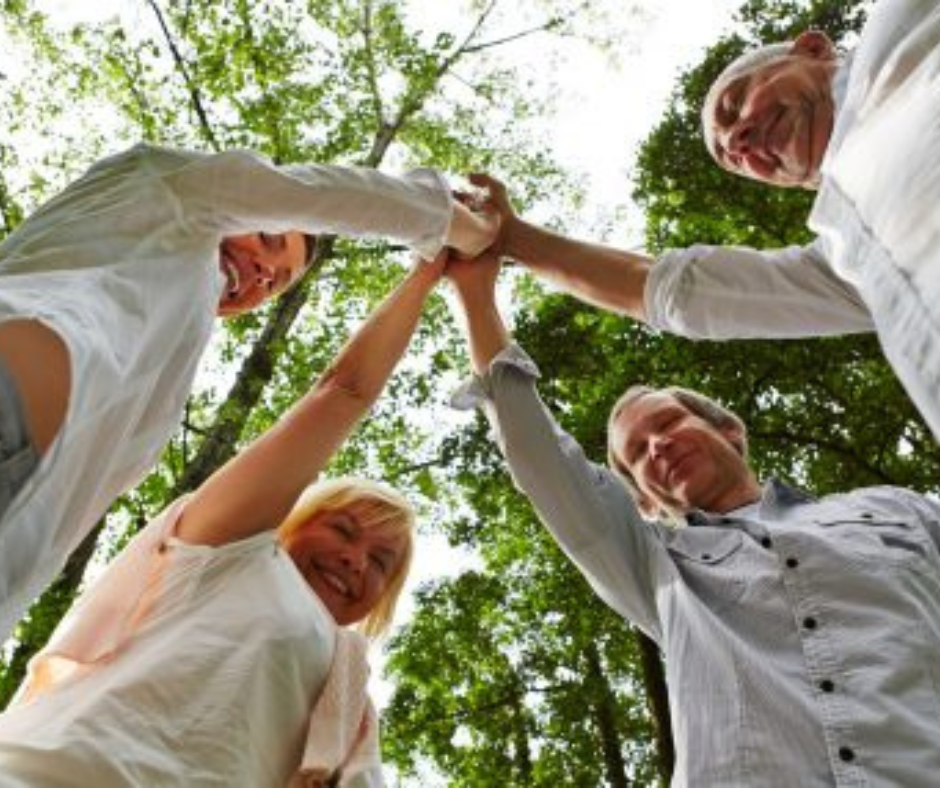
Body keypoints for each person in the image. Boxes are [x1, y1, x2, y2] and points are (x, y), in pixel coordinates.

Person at [447, 250, 940, 786]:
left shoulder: (895, 509)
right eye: (636, 454)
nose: (656, 445)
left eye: (666, 423)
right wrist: (474, 290)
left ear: (729, 431)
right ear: (645, 502)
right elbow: (540, 456)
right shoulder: (653, 565)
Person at [0, 142, 497, 642]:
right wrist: (466, 229)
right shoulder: (164, 184)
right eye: (267, 236)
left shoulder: (170, 354)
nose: (263, 273)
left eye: (277, 282)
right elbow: (325, 195)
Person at [0, 250, 451, 786]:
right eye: (343, 528)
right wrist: (429, 268)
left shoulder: (349, 695)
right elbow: (344, 391)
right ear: (295, 523)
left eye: (381, 560)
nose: (355, 559)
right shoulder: (234, 554)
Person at [474, 0, 940, 443]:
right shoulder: (847, 259)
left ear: (813, 49)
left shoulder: (898, 23)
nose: (738, 140)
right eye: (734, 159)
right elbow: (679, 294)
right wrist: (514, 238)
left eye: (734, 105)